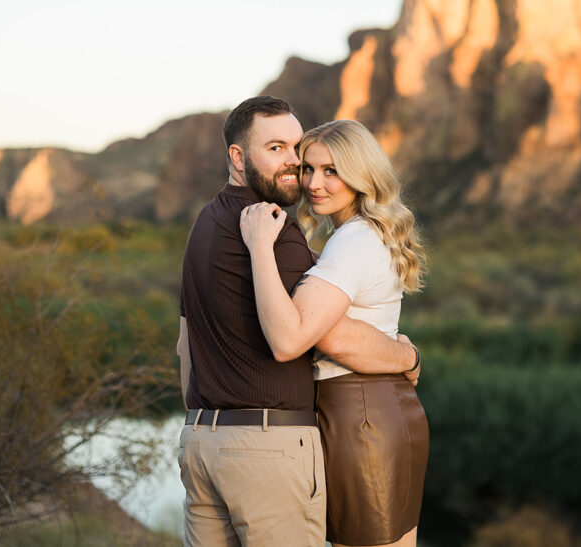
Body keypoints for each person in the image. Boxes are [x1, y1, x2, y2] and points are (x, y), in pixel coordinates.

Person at [176, 97, 420, 547]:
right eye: (285, 154)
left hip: (202, 441)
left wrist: (204, 417)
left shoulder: (205, 225)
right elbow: (306, 335)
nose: (302, 174)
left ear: (361, 174)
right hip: (273, 442)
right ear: (237, 155)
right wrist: (407, 355)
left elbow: (185, 345)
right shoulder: (270, 229)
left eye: (304, 156)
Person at [240, 118, 429, 547]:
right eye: (308, 169)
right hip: (380, 411)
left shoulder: (356, 240)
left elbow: (299, 339)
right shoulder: (362, 234)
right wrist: (407, 357)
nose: (313, 183)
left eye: (331, 171)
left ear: (361, 176)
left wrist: (259, 249)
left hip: (360, 415)